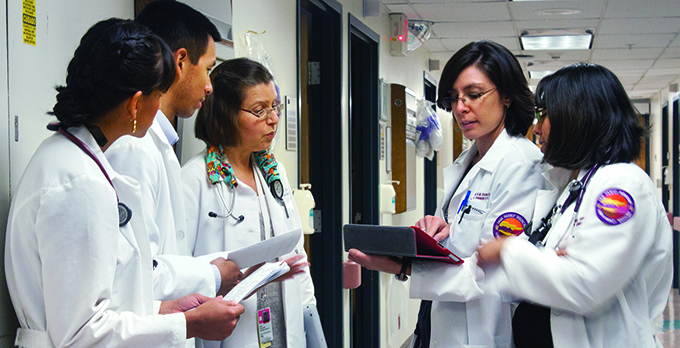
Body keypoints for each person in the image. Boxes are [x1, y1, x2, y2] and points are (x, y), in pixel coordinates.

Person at [4, 18, 244, 348]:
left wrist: (163, 310)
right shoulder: (80, 184)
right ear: (134, 104)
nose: (160, 107)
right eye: (158, 96)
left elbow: (105, 296)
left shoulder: (69, 156)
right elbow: (82, 334)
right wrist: (185, 324)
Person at [348, 40, 544, 347]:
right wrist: (439, 234)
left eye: (474, 95)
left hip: (486, 330)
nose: (460, 108)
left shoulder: (521, 165)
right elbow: (468, 239)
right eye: (454, 98)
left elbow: (493, 270)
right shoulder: (469, 161)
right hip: (443, 320)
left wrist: (403, 266)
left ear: (506, 96)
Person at [477, 63, 673, 348]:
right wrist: (549, 262)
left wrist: (508, 249)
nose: (536, 128)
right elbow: (555, 273)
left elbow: (583, 284)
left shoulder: (621, 185)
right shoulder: (572, 184)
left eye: (544, 115)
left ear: (577, 117)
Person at [105, 0, 241, 304]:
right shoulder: (133, 144)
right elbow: (134, 273)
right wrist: (213, 275)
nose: (209, 86)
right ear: (180, 62)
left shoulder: (158, 142)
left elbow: (164, 256)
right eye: (208, 70)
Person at [182, 58, 316, 348]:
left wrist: (310, 314)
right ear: (226, 114)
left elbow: (296, 252)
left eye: (275, 106)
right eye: (259, 110)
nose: (273, 119)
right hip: (232, 333)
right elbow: (178, 271)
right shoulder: (194, 180)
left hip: (285, 328)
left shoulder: (274, 171)